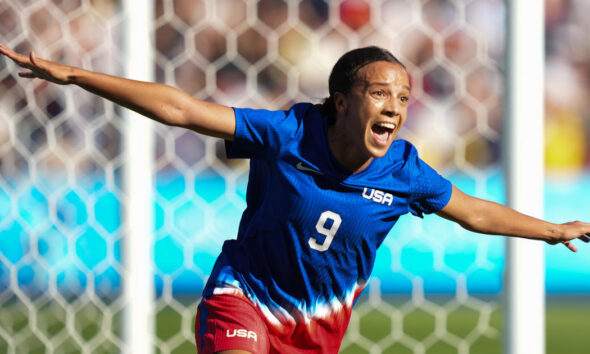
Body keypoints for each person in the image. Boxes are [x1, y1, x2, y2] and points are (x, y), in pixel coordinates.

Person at [1, 44, 589, 354]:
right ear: (340, 100)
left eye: (404, 97)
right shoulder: (286, 133)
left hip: (314, 332)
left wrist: (553, 230)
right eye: (379, 92)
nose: (394, 106)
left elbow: (476, 212)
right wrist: (77, 77)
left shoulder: (406, 170)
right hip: (243, 298)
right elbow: (180, 108)